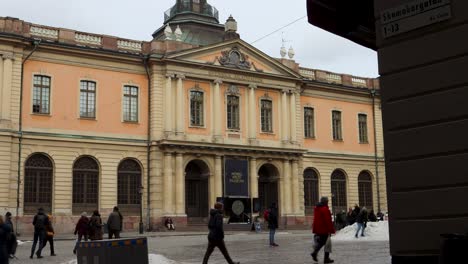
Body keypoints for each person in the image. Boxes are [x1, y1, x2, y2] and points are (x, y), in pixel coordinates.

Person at [311, 197, 335, 264]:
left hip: (319, 229)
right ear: (325, 202)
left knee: (324, 243)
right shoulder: (324, 209)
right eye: (327, 201)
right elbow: (328, 221)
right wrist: (331, 229)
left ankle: (323, 256)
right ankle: (317, 254)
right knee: (326, 243)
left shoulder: (317, 208)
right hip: (324, 229)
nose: (328, 202)